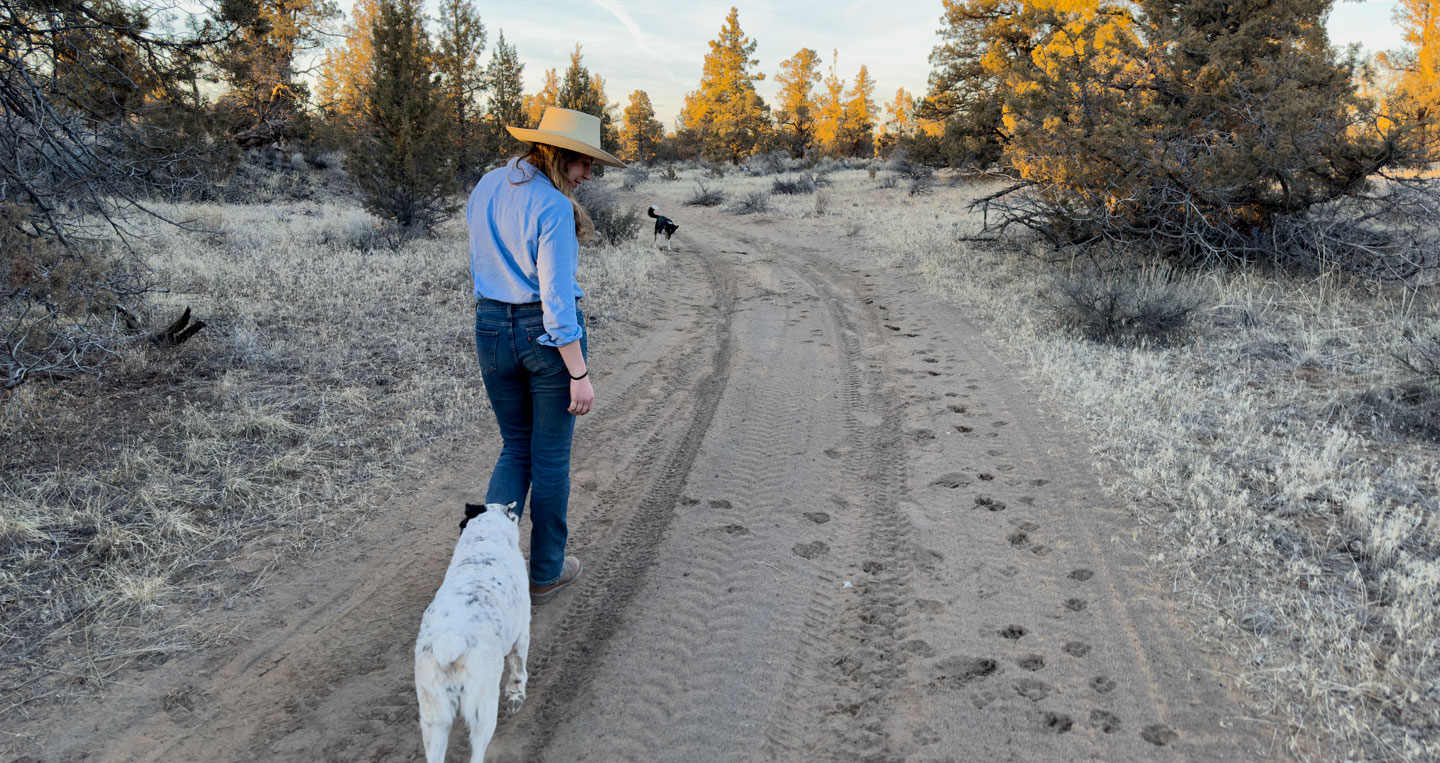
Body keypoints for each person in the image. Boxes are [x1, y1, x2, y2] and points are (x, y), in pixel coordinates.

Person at [465, 107, 625, 604]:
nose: (588, 175)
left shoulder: (486, 184)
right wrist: (579, 372)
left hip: (490, 326)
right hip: (545, 337)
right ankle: (545, 573)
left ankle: (483, 572)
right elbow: (557, 303)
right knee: (550, 459)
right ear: (560, 154)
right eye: (584, 163)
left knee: (515, 448)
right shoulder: (553, 207)